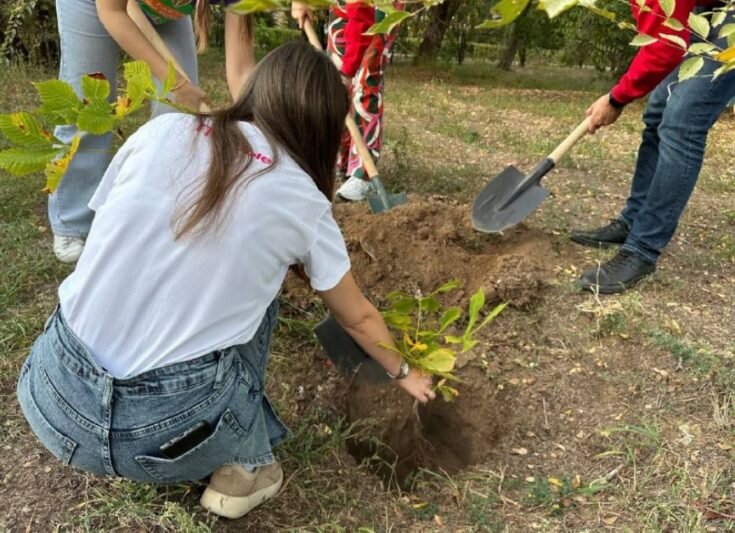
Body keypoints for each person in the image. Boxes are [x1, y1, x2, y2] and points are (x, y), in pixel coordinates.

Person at [17, 42, 435, 520]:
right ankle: (249, 465)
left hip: (49, 395)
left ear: (256, 90)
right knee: (261, 298)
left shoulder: (162, 130)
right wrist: (407, 373)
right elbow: (356, 316)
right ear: (322, 128)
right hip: (159, 438)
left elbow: (108, 233)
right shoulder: (300, 196)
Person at [50, 0, 311, 263]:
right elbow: (113, 12)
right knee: (89, 104)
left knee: (180, 118)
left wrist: (261, 127)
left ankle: (161, 214)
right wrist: (176, 82)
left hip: (165, 11)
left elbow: (242, 70)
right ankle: (72, 222)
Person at [571, 1, 735, 293]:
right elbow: (660, 36)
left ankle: (642, 249)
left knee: (682, 120)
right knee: (658, 109)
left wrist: (616, 98)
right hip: (708, 12)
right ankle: (632, 222)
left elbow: (664, 51)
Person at [327, 0, 403, 202]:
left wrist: (349, 69)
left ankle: (363, 172)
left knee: (367, 76)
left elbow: (362, 16)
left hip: (379, 5)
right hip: (345, 4)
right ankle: (339, 160)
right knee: (334, 78)